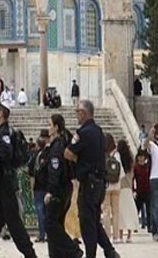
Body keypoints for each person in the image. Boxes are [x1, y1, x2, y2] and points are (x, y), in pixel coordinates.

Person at [64, 100, 120, 258]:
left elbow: (68, 153)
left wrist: (79, 160)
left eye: (77, 112)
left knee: (87, 222)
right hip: (100, 183)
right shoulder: (99, 132)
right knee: (94, 221)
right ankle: (110, 252)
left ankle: (91, 255)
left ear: (84, 113)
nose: (76, 115)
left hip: (89, 183)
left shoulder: (83, 132)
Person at [0, 104, 36, 258]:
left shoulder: (4, 132)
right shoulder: (4, 131)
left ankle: (30, 254)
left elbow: (6, 153)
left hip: (6, 184)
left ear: (2, 114)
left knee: (15, 225)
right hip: (2, 185)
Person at [42, 114, 81, 258]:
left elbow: (55, 170)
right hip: (66, 188)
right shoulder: (62, 143)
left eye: (49, 125)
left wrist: (51, 191)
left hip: (58, 189)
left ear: (56, 127)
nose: (48, 128)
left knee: (50, 223)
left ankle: (72, 249)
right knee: (57, 223)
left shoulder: (58, 146)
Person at [29, 130, 50, 243]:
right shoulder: (48, 153)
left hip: (38, 187)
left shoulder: (35, 156)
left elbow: (31, 173)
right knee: (46, 212)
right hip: (47, 186)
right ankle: (48, 233)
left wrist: (32, 188)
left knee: (40, 211)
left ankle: (42, 233)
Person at [116, 139, 138, 243]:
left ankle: (120, 235)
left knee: (120, 213)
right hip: (128, 188)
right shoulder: (131, 160)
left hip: (119, 188)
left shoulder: (117, 160)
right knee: (129, 212)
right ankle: (129, 235)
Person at [103, 134, 121, 244]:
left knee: (106, 211)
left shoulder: (103, 155)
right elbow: (121, 171)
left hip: (106, 186)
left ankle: (108, 235)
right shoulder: (117, 154)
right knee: (116, 212)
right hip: (116, 186)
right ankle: (116, 236)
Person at [132, 151, 150, 232]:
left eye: (143, 156)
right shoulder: (136, 167)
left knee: (149, 209)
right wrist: (133, 189)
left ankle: (150, 226)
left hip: (147, 190)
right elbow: (133, 179)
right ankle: (135, 226)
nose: (141, 158)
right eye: (140, 156)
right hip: (139, 190)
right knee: (136, 210)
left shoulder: (147, 166)